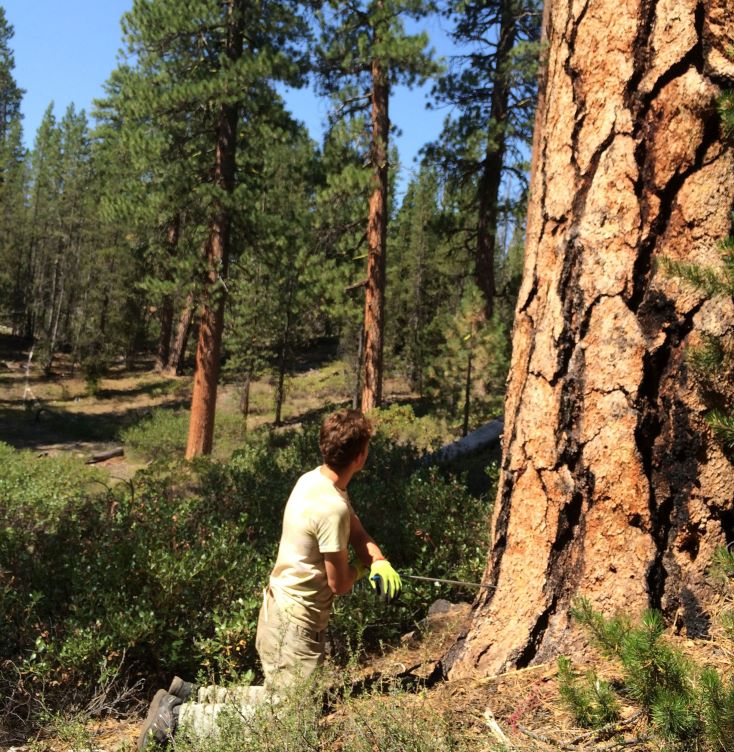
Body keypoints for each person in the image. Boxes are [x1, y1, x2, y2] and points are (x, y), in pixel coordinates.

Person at [137, 408, 402, 749]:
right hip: (296, 625)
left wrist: (377, 559)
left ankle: (191, 694)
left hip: (280, 613)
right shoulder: (331, 507)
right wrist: (364, 571)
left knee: (280, 697)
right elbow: (340, 584)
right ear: (361, 455)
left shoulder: (315, 481)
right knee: (293, 719)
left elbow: (356, 530)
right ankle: (176, 720)